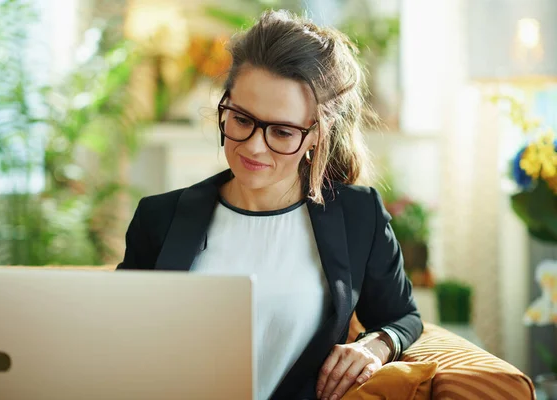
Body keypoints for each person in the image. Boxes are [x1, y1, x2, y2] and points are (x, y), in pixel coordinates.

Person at [118, 9, 422, 400]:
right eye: (242, 119)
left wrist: (377, 345)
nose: (254, 146)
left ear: (317, 134)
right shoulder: (158, 218)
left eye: (281, 131)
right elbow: (122, 338)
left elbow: (403, 316)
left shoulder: (357, 216)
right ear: (223, 106)